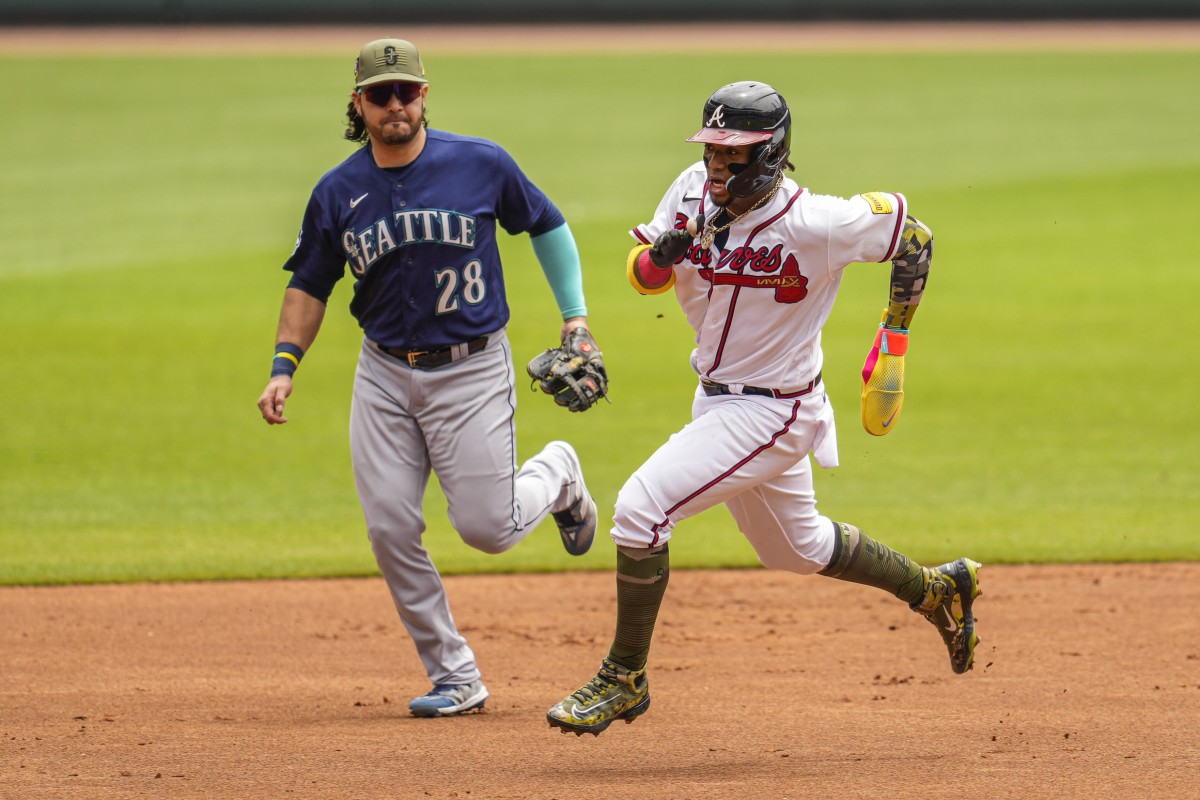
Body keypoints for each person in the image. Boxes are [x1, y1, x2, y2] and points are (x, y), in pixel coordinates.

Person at [546, 81, 982, 736]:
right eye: (713, 150)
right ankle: (937, 590)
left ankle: (624, 675)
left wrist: (893, 341)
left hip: (774, 412)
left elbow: (913, 236)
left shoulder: (819, 223)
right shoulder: (690, 190)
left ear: (772, 153)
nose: (717, 166)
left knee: (640, 509)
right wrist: (659, 258)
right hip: (718, 400)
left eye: (734, 154)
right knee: (796, 549)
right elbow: (642, 276)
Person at [256, 37, 601, 719]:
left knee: (489, 530)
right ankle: (455, 675)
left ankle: (559, 474)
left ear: (424, 95)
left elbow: (547, 225)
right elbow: (309, 285)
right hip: (382, 373)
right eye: (380, 94)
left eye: (405, 92)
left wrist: (575, 319)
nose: (394, 105)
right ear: (357, 103)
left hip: (470, 371)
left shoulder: (480, 163)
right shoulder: (337, 192)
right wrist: (283, 367)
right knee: (388, 527)